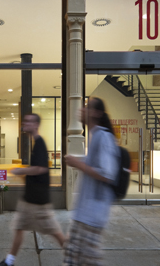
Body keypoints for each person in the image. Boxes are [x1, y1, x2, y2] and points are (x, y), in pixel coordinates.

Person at [0, 113, 65, 266]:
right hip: (30, 199)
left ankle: (75, 257)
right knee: (19, 227)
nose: (26, 123)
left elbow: (40, 168)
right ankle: (9, 262)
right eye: (25, 121)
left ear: (36, 125)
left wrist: (20, 171)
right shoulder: (35, 143)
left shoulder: (40, 143)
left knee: (54, 231)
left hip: (38, 201)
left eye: (29, 122)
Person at [63, 97, 119, 266]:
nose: (82, 109)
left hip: (93, 215)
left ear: (96, 113)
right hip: (84, 214)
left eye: (87, 107)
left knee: (87, 261)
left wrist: (77, 163)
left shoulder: (103, 137)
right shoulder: (95, 136)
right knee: (73, 258)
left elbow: (107, 173)